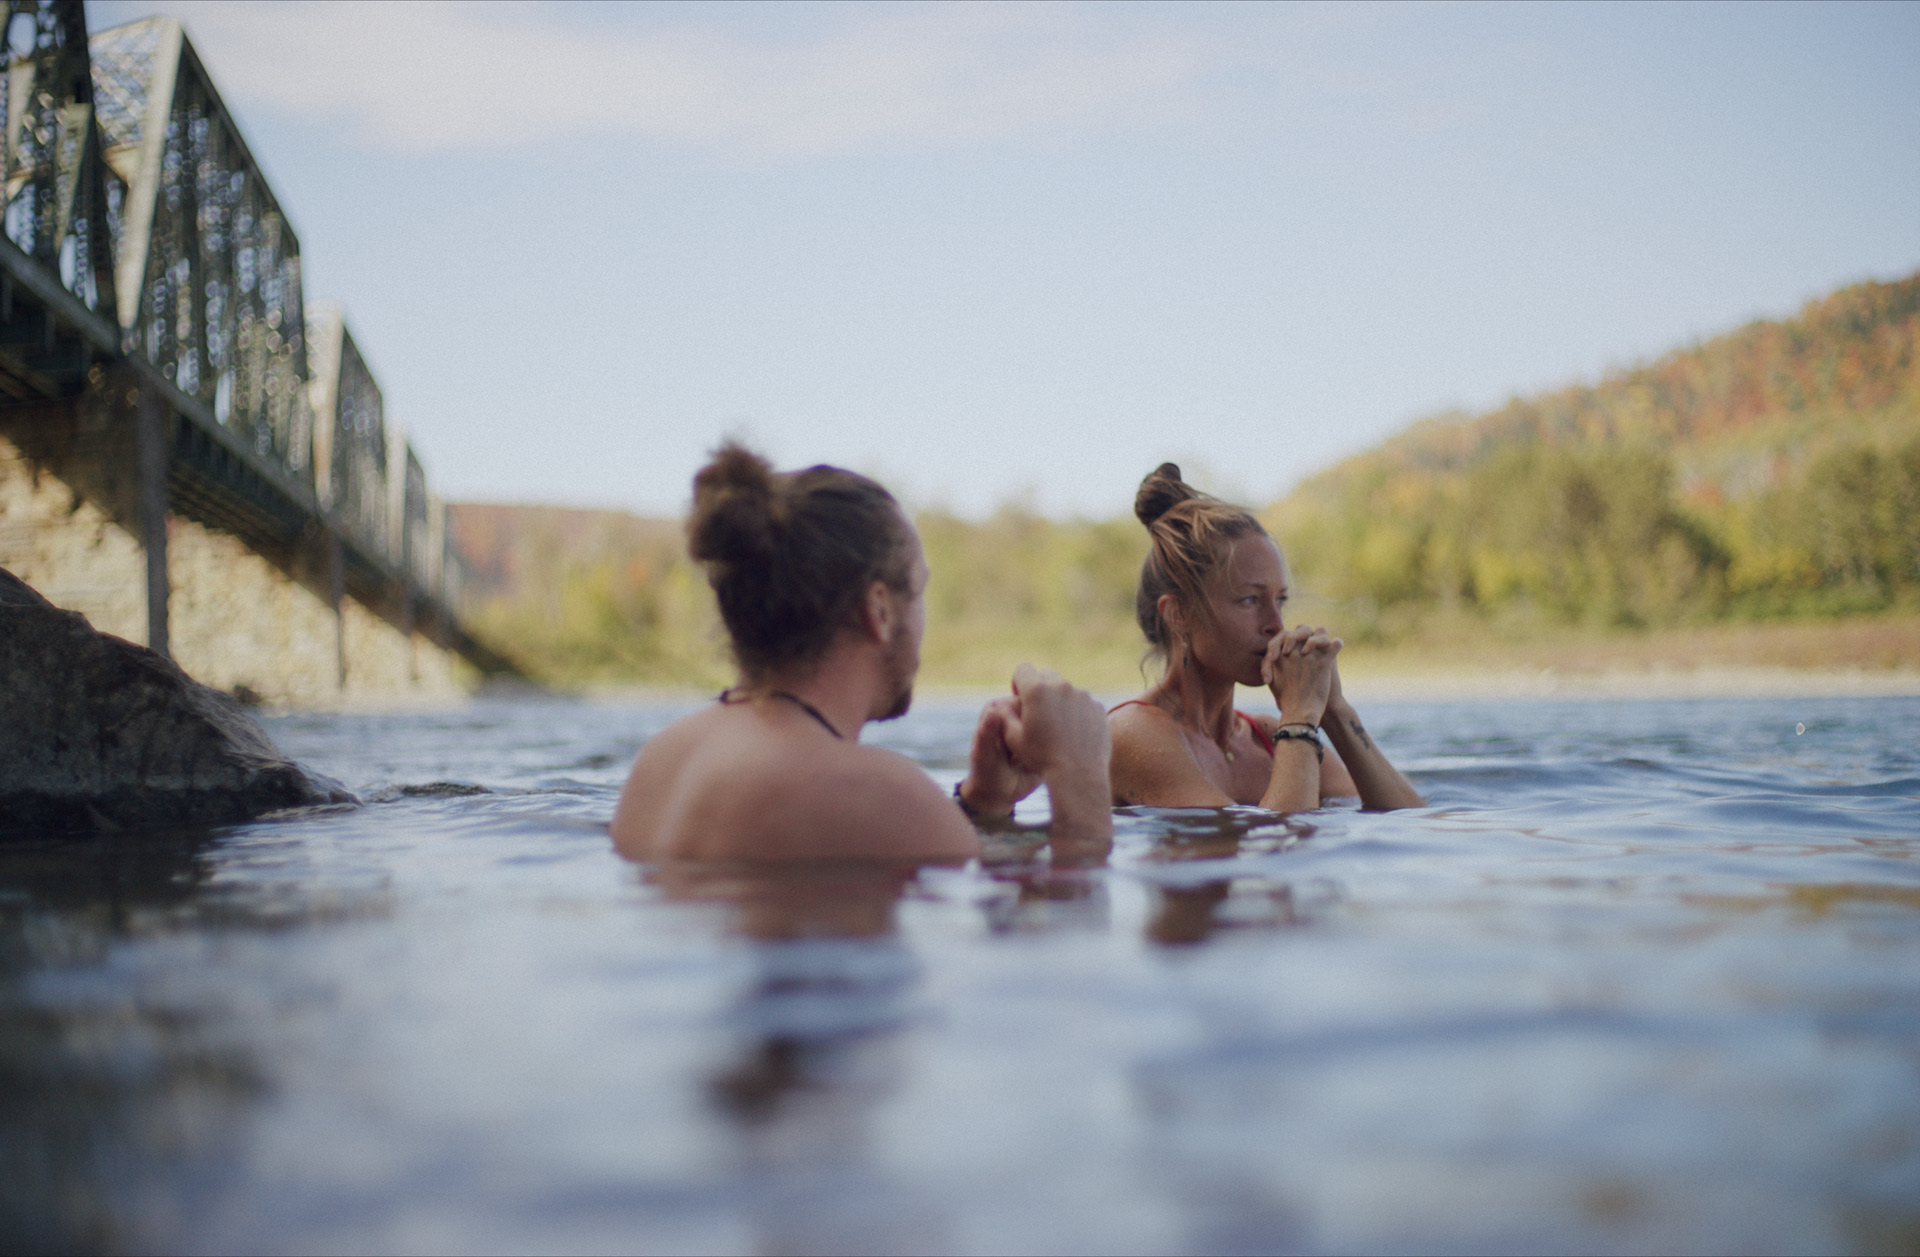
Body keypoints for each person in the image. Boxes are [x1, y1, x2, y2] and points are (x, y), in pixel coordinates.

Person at [611, 443, 1112, 864]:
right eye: (918, 591)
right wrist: (1080, 775)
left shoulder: (662, 760)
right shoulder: (873, 791)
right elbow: (1068, 930)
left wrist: (984, 803)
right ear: (880, 610)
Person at [1107, 463, 1423, 813]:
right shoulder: (1133, 734)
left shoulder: (1269, 737)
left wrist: (1334, 710)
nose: (1276, 624)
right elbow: (1281, 840)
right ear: (1180, 615)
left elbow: (1410, 821)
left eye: (1280, 601)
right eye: (1250, 600)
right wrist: (1300, 718)